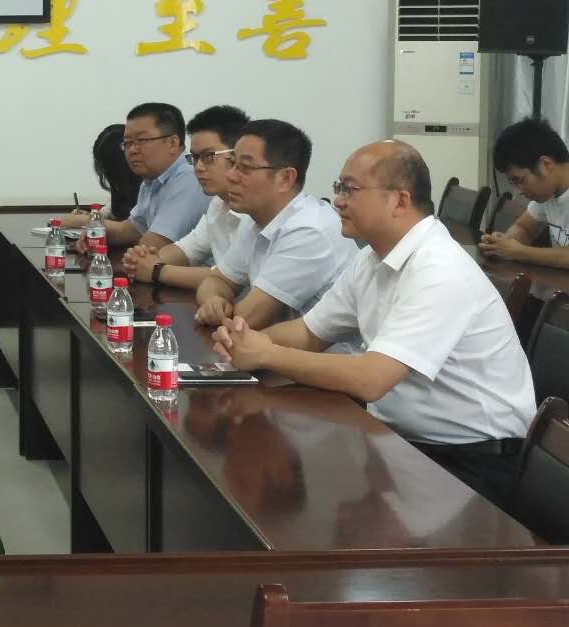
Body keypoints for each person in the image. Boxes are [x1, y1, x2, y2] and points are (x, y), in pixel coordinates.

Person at [212, 140, 535, 509]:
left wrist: (266, 354)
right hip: (403, 443)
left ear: (399, 200)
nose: (338, 200)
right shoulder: (371, 258)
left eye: (350, 189)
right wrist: (243, 339)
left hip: (471, 462)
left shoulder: (439, 269)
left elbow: (371, 379)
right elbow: (308, 333)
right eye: (338, 187)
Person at [195, 119, 355, 329]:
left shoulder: (309, 230)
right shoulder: (256, 219)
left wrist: (219, 314)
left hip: (314, 350)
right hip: (268, 345)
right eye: (232, 163)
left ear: (285, 178)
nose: (230, 175)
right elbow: (216, 280)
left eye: (245, 167)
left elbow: (246, 320)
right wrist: (213, 301)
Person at [123, 105, 249, 291]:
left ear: (237, 156)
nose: (198, 168)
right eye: (195, 158)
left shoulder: (256, 212)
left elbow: (230, 277)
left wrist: (156, 270)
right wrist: (141, 260)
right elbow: (186, 249)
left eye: (208, 156)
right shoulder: (219, 205)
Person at [73, 102, 208, 250]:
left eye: (141, 141)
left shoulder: (189, 179)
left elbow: (150, 246)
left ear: (172, 143)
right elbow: (131, 230)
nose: (132, 150)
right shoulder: (152, 179)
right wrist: (96, 233)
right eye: (127, 143)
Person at [481, 117, 569, 267]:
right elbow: (524, 228)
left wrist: (520, 252)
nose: (519, 192)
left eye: (520, 180)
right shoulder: (547, 194)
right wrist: (502, 244)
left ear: (546, 165)